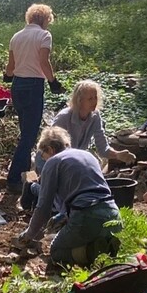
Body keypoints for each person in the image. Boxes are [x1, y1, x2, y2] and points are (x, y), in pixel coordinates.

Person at [22, 80, 136, 210]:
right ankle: (32, 188)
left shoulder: (95, 117)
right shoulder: (64, 117)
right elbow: (49, 147)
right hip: (49, 158)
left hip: (72, 161)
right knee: (55, 197)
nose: (94, 102)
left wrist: (118, 155)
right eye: (90, 99)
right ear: (79, 100)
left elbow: (102, 148)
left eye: (95, 98)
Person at [16, 126, 122, 266]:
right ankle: (107, 249)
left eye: (43, 154)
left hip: (87, 216)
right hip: (113, 214)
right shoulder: (88, 155)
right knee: (89, 233)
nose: (44, 158)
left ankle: (93, 252)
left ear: (50, 149)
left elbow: (43, 208)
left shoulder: (53, 162)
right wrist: (63, 215)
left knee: (57, 252)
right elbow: (88, 191)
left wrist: (28, 235)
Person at [4, 3, 65, 195]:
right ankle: (14, 178)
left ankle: (23, 174)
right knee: (29, 136)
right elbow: (43, 62)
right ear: (45, 19)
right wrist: (53, 82)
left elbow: (11, 66)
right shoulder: (44, 35)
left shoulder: (16, 36)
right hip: (33, 86)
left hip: (18, 86)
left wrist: (7, 76)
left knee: (26, 132)